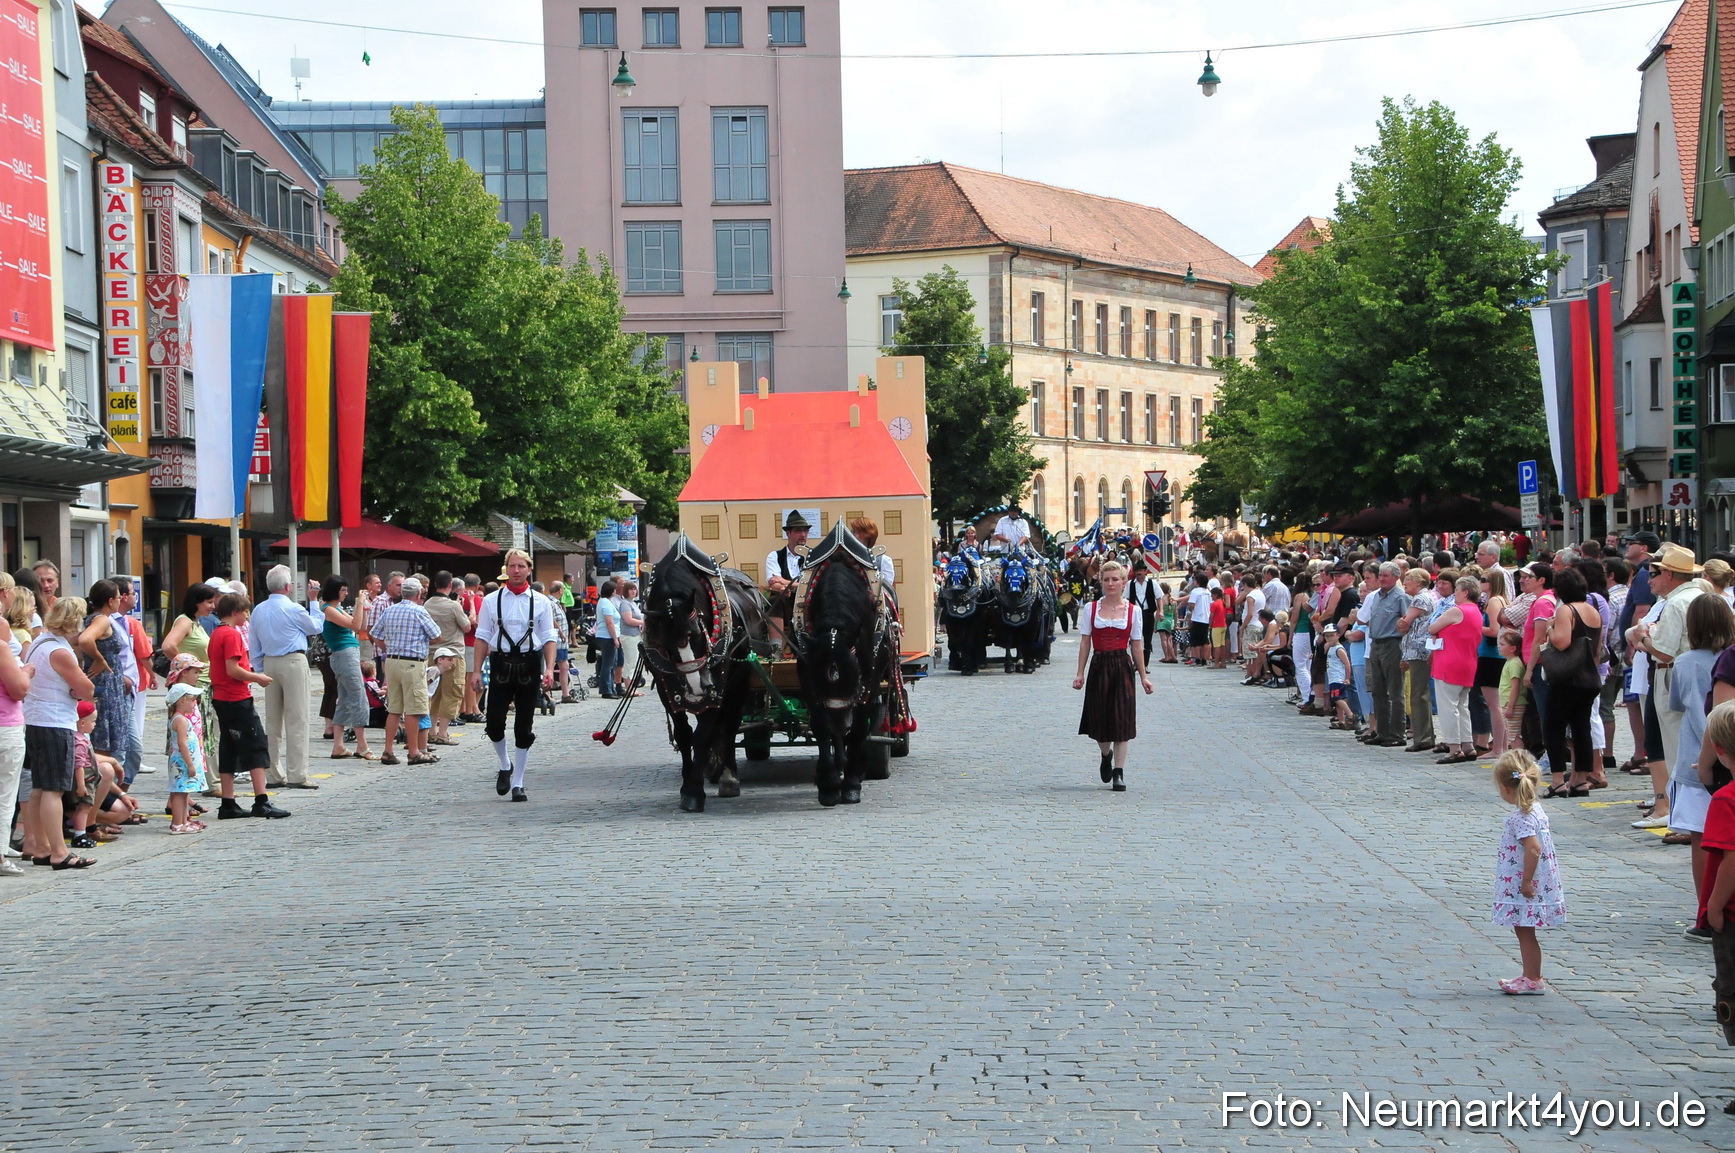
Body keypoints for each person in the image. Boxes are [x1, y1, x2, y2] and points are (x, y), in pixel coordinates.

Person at [1628, 543, 1709, 829]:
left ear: (1670, 574)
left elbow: (1664, 651)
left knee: (1677, 748)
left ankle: (1684, 819)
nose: (1649, 580)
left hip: (1672, 673)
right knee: (1694, 742)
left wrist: (1643, 636)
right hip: (1698, 673)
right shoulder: (1701, 594)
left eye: (1653, 573)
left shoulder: (1676, 602)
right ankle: (1687, 815)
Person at [470, 548, 560, 802]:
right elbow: (482, 636)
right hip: (500, 662)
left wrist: (549, 668)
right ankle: (504, 764)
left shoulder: (541, 601)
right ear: (506, 570)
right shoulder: (491, 600)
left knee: (524, 725)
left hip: (530, 663)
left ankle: (518, 782)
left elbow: (548, 637)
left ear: (529, 569)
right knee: (494, 723)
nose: (516, 571)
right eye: (512, 566)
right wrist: (476, 670)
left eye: (521, 566)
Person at [1669, 597, 1735, 926]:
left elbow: (1679, 703)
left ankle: (1705, 908)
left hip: (1696, 757)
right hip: (1723, 756)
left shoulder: (1684, 662)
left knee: (1701, 838)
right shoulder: (1728, 658)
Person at [22, 597, 97, 868]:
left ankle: (41, 846)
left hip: (35, 719)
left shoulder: (41, 641)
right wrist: (81, 686)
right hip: (55, 721)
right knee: (54, 788)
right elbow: (86, 689)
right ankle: (59, 851)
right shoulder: (60, 651)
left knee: (40, 787)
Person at [1070, 560, 1153, 791]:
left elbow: (1137, 645)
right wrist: (1080, 673)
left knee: (1121, 719)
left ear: (1123, 582)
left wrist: (1144, 676)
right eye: (1106, 579)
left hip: (1122, 665)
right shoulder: (1091, 608)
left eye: (1115, 579)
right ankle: (1105, 754)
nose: (1110, 583)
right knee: (1100, 719)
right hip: (1099, 665)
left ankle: (1119, 771)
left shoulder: (1133, 611)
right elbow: (1085, 642)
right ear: (1101, 582)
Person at [1490, 751, 1566, 995]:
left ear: (1506, 788)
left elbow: (1533, 848)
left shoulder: (1522, 817)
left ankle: (1533, 977)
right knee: (1524, 930)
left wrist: (1526, 881)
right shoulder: (1535, 810)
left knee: (1524, 930)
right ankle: (1529, 974)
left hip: (1526, 883)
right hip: (1532, 880)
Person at [208, 593, 289, 820]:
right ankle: (261, 800)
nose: (247, 615)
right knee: (256, 745)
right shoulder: (231, 634)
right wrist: (257, 678)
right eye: (245, 611)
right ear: (235, 612)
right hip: (236, 697)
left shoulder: (216, 633)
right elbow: (233, 669)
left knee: (228, 747)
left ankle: (228, 802)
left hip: (222, 697)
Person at [247, 565, 323, 791]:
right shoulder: (293, 609)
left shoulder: (259, 610)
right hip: (293, 661)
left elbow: (254, 643)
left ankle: (272, 772)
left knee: (272, 720)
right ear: (288, 587)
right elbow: (316, 627)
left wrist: (260, 668)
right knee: (297, 719)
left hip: (269, 662)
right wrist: (314, 601)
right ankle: (297, 774)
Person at [1540, 568, 1606, 798]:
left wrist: (1549, 627)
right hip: (1589, 677)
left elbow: (1562, 642)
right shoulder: (1593, 610)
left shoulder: (1565, 610)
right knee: (1582, 728)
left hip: (1567, 678)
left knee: (1553, 727)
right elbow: (1597, 649)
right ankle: (1580, 779)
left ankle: (1558, 779)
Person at [374, 576, 441, 767]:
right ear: (419, 593)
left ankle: (388, 750)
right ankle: (414, 752)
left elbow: (376, 634)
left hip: (393, 662)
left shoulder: (390, 610)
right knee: (414, 709)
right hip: (413, 663)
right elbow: (436, 635)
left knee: (394, 708)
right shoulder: (420, 611)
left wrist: (388, 648)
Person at [76, 581, 137, 785]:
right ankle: (103, 795)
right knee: (104, 742)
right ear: (110, 601)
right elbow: (85, 640)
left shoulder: (95, 619)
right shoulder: (102, 620)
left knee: (104, 740)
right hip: (105, 683)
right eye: (119, 597)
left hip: (108, 683)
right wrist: (99, 659)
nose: (120, 600)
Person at [1429, 575, 1485, 764]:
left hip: (1449, 663)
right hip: (1467, 662)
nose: (1455, 594)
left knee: (1448, 707)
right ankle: (1467, 745)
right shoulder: (1475, 610)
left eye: (1457, 590)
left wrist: (1437, 631)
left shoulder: (1457, 610)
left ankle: (1454, 747)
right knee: (1462, 705)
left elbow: (1432, 627)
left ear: (1465, 592)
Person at [318, 576, 375, 761]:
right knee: (358, 697)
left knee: (343, 700)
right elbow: (354, 625)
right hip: (344, 654)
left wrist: (364, 607)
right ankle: (362, 745)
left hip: (347, 653)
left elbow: (361, 626)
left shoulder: (335, 608)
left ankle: (339, 745)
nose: (346, 593)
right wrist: (359, 603)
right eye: (343, 589)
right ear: (335, 590)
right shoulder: (328, 609)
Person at [1362, 561, 1411, 749]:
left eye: (1386, 576)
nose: (1382, 579)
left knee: (1395, 691)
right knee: (1378, 690)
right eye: (1380, 575)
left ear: (1396, 577)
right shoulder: (1376, 597)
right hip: (1376, 644)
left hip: (1392, 644)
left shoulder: (1401, 597)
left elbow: (1407, 624)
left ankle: (1398, 733)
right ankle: (1382, 731)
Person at [423, 571, 471, 746]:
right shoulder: (453, 606)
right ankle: (443, 732)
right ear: (450, 584)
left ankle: (431, 731)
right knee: (452, 693)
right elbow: (466, 627)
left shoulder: (427, 604)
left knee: (433, 694)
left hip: (432, 654)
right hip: (453, 654)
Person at [1397, 568, 1437, 753]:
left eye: (1408, 580)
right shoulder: (1424, 597)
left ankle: (1423, 737)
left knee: (1418, 695)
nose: (1405, 583)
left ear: (1419, 582)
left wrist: (1402, 622)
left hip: (1418, 650)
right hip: (1417, 650)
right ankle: (1424, 735)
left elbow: (1404, 623)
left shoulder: (1421, 598)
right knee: (1419, 693)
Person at [165, 683, 208, 834]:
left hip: (183, 761)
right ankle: (177, 823)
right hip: (181, 762)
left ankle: (184, 821)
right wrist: (190, 764)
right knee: (179, 792)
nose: (194, 703)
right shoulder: (180, 720)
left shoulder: (181, 719)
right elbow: (182, 743)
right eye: (192, 700)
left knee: (183, 792)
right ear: (181, 701)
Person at [765, 510, 810, 651]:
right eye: (798, 531)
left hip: (808, 603)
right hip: (787, 604)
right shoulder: (775, 556)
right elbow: (774, 582)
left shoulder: (814, 556)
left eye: (805, 531)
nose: (803, 535)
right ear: (788, 533)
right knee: (774, 601)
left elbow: (813, 584)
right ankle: (776, 648)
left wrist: (785, 582)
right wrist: (784, 586)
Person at [1322, 624, 1353, 730]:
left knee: (1336, 698)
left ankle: (1351, 715)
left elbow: (1347, 663)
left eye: (1332, 635)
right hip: (1332, 678)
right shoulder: (1330, 648)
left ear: (1338, 635)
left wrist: (1347, 677)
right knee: (1339, 701)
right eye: (1327, 636)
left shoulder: (1339, 649)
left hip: (1338, 678)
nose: (1329, 638)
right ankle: (1341, 721)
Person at [617, 579, 646, 696]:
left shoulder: (633, 603)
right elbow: (628, 620)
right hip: (629, 636)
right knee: (630, 661)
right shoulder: (625, 604)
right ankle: (629, 688)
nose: (633, 591)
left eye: (635, 589)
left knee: (634, 661)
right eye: (631, 589)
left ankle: (632, 687)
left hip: (636, 635)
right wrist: (643, 622)